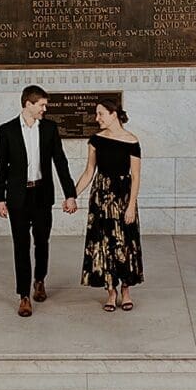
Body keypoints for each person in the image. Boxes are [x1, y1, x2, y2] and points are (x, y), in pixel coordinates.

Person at [0, 85, 78, 317]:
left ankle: (39, 280)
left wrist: (70, 194)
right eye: (41, 104)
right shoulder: (7, 130)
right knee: (21, 246)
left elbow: (60, 162)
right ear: (28, 104)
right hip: (18, 197)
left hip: (41, 194)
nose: (45, 108)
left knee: (42, 241)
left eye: (45, 105)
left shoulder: (50, 128)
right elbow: (2, 166)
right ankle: (23, 295)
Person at [74, 98, 144, 311]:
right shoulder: (95, 140)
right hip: (101, 199)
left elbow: (136, 176)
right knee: (103, 244)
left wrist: (131, 205)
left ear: (114, 114)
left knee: (126, 243)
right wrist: (72, 195)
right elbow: (88, 172)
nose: (97, 119)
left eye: (100, 114)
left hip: (123, 198)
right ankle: (111, 292)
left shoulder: (132, 141)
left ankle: (126, 290)